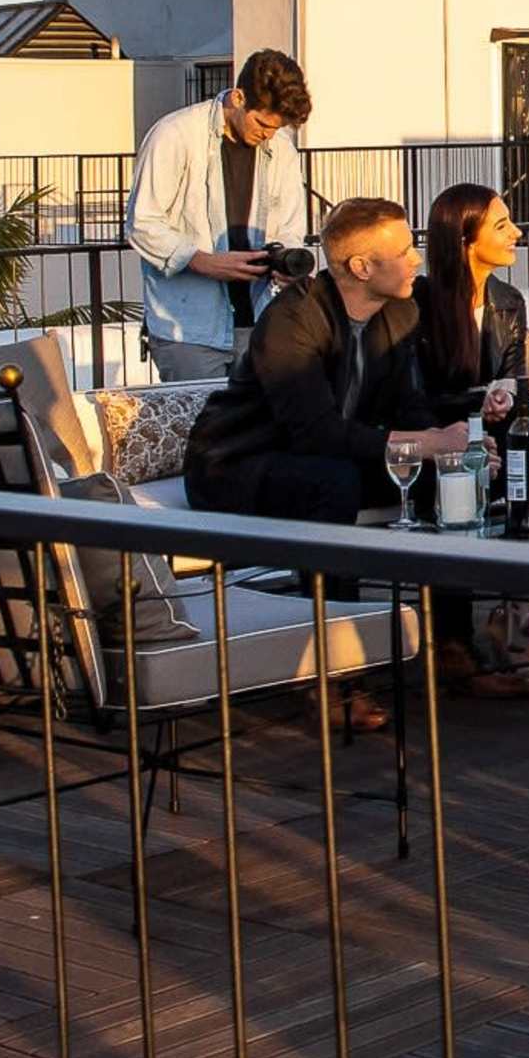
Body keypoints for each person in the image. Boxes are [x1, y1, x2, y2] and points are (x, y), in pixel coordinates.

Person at [177, 195, 434, 731]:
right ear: (362, 267)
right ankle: (333, 671)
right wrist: (417, 442)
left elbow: (411, 413)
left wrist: (450, 443)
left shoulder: (401, 312)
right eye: (406, 249)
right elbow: (314, 432)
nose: (416, 260)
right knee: (333, 483)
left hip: (321, 458)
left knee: (446, 472)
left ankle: (456, 648)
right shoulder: (293, 320)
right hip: (237, 467)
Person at [409, 180, 529, 699]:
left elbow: (514, 382)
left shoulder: (508, 301)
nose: (517, 233)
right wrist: (474, 408)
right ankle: (453, 647)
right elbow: (414, 396)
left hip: (490, 436)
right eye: (502, 225)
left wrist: (508, 396)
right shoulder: (419, 303)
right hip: (433, 440)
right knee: (455, 479)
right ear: (464, 239)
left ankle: (513, 615)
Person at [128, 51, 313, 382]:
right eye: (262, 123)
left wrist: (284, 262)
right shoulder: (174, 134)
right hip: (189, 330)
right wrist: (200, 261)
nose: (268, 135)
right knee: (202, 432)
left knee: (258, 432)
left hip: (261, 324)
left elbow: (290, 226)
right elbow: (142, 224)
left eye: (277, 128)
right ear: (239, 97)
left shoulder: (282, 149)